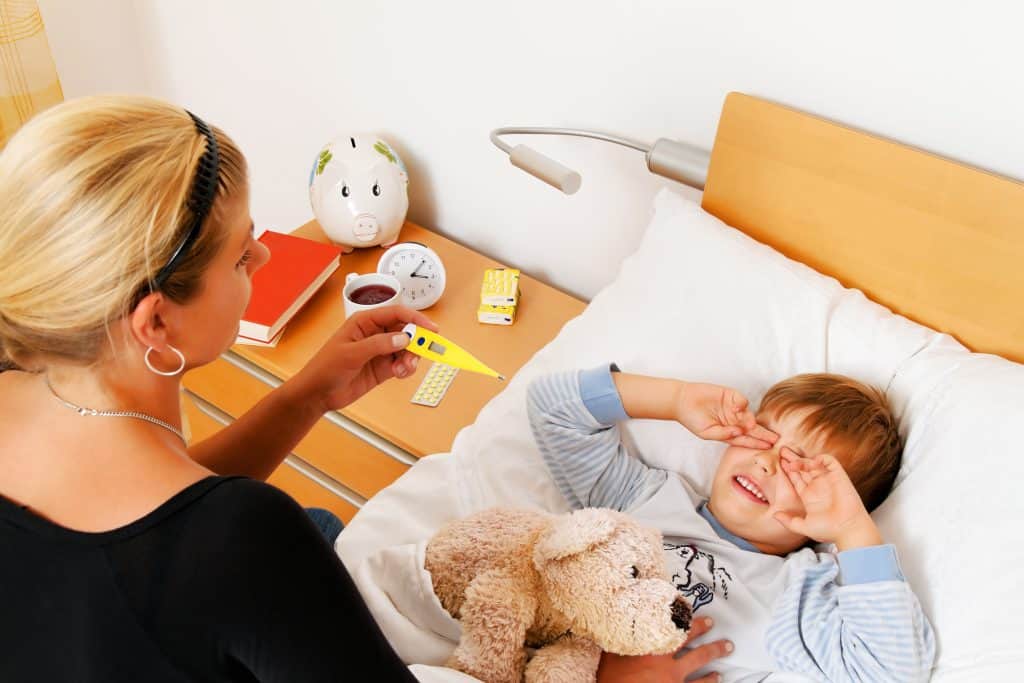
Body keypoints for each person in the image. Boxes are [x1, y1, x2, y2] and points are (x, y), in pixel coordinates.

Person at [0, 95, 730, 683]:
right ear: (156, 322)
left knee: (322, 524)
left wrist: (307, 395)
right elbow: (192, 545)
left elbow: (159, 528)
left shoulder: (22, 380)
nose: (264, 255)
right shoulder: (246, 537)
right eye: (241, 255)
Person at [527, 364, 937, 682]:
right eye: (764, 435)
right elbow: (552, 409)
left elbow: (892, 671)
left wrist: (851, 528)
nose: (767, 461)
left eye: (799, 466)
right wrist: (675, 399)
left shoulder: (793, 596)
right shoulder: (648, 498)